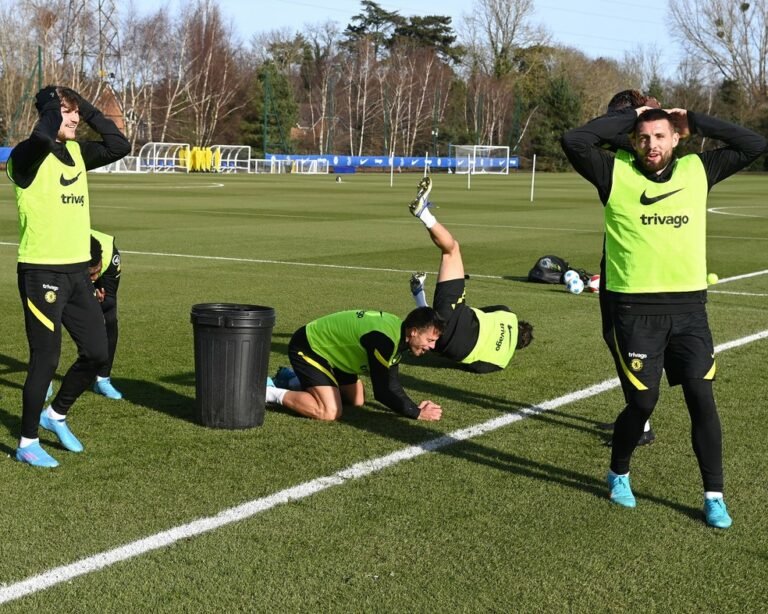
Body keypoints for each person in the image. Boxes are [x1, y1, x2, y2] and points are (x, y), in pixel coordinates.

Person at [561, 103, 766, 528]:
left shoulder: (698, 170)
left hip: (689, 309)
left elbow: (754, 144)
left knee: (701, 398)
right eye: (643, 137)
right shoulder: (613, 173)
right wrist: (636, 113)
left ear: (676, 138)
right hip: (635, 311)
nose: (651, 144)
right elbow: (574, 140)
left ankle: (714, 496)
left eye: (660, 136)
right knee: (642, 402)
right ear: (632, 141)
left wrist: (694, 119)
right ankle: (619, 473)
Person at [7, 86, 130, 467]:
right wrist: (50, 105)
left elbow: (119, 145)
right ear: (48, 113)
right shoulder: (25, 157)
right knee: (46, 358)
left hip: (77, 272)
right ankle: (27, 442)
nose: (75, 118)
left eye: (77, 112)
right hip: (41, 271)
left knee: (96, 353)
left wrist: (86, 107)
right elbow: (43, 137)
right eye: (67, 111)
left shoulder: (76, 152)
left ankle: (55, 414)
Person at [407, 176, 533, 373]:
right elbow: (476, 367)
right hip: (452, 348)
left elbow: (480, 311)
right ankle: (418, 294)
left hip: (459, 320)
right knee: (437, 328)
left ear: (519, 325)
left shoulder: (508, 314)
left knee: (452, 251)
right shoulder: (501, 362)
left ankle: (424, 213)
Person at [600, 90, 661, 447]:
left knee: (635, 344)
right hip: (613, 259)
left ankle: (641, 420)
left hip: (638, 266)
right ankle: (637, 416)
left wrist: (642, 115)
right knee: (613, 337)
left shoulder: (645, 153)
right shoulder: (618, 152)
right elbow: (591, 134)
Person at [265, 307, 445, 421]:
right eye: (430, 340)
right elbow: (383, 391)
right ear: (414, 332)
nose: (432, 347)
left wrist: (414, 408)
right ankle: (267, 392)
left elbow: (392, 383)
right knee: (329, 411)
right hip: (309, 346)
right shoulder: (384, 340)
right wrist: (416, 413)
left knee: (356, 399)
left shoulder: (398, 333)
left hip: (336, 355)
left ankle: (292, 380)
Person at [89, 230, 123, 399]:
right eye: (91, 274)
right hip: (61, 266)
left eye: (97, 272)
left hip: (106, 262)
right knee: (53, 319)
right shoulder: (66, 256)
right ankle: (45, 381)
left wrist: (97, 287)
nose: (94, 276)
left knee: (109, 316)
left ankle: (102, 379)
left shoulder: (110, 257)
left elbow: (108, 301)